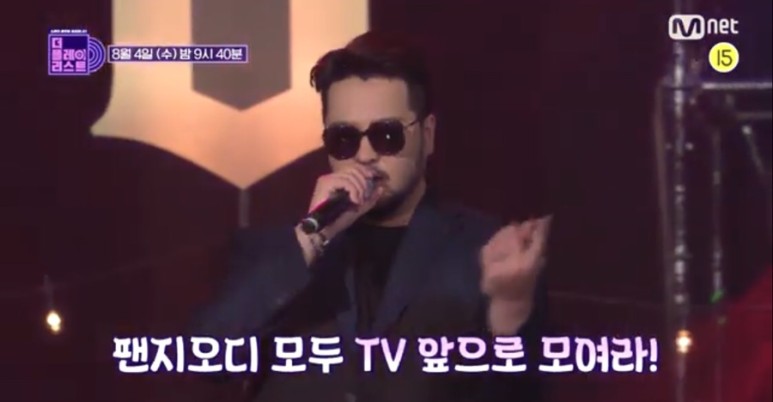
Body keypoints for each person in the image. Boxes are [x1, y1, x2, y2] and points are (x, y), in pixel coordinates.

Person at [191, 31, 551, 402]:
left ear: (427, 135)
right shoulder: (275, 252)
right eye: (344, 138)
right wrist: (311, 239)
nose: (364, 155)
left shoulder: (485, 249)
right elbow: (206, 358)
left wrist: (509, 312)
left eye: (387, 135)